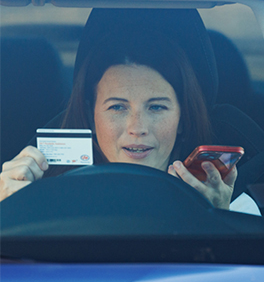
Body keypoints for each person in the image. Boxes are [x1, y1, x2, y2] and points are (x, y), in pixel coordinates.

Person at [0, 28, 237, 210]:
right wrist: (10, 212)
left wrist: (216, 219)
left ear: (182, 118)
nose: (137, 127)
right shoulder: (40, 198)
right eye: (117, 107)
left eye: (156, 107)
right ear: (91, 117)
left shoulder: (233, 206)